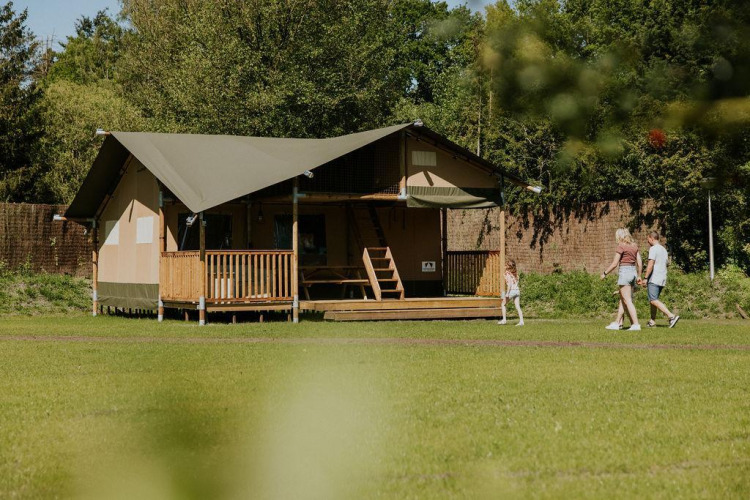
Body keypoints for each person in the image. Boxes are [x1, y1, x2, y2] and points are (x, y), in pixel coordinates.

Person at [601, 228, 642, 331]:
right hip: (633, 272)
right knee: (623, 299)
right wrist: (639, 275)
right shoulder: (634, 246)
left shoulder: (621, 246)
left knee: (628, 300)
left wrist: (605, 273)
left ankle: (636, 324)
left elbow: (615, 264)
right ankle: (617, 323)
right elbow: (640, 262)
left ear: (619, 236)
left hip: (625, 272)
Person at [638, 231, 680, 328]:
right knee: (653, 300)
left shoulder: (653, 249)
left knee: (653, 300)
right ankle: (652, 321)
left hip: (654, 278)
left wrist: (645, 278)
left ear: (652, 238)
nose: (647, 241)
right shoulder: (663, 250)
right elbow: (666, 264)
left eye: (648, 239)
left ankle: (671, 316)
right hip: (662, 278)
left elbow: (650, 264)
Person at [498, 259, 524, 326]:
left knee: (503, 304)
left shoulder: (507, 273)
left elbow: (509, 284)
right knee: (518, 306)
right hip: (517, 291)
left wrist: (507, 293)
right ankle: (521, 322)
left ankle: (504, 320)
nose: (504, 266)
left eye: (505, 265)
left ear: (508, 266)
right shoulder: (515, 273)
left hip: (512, 291)